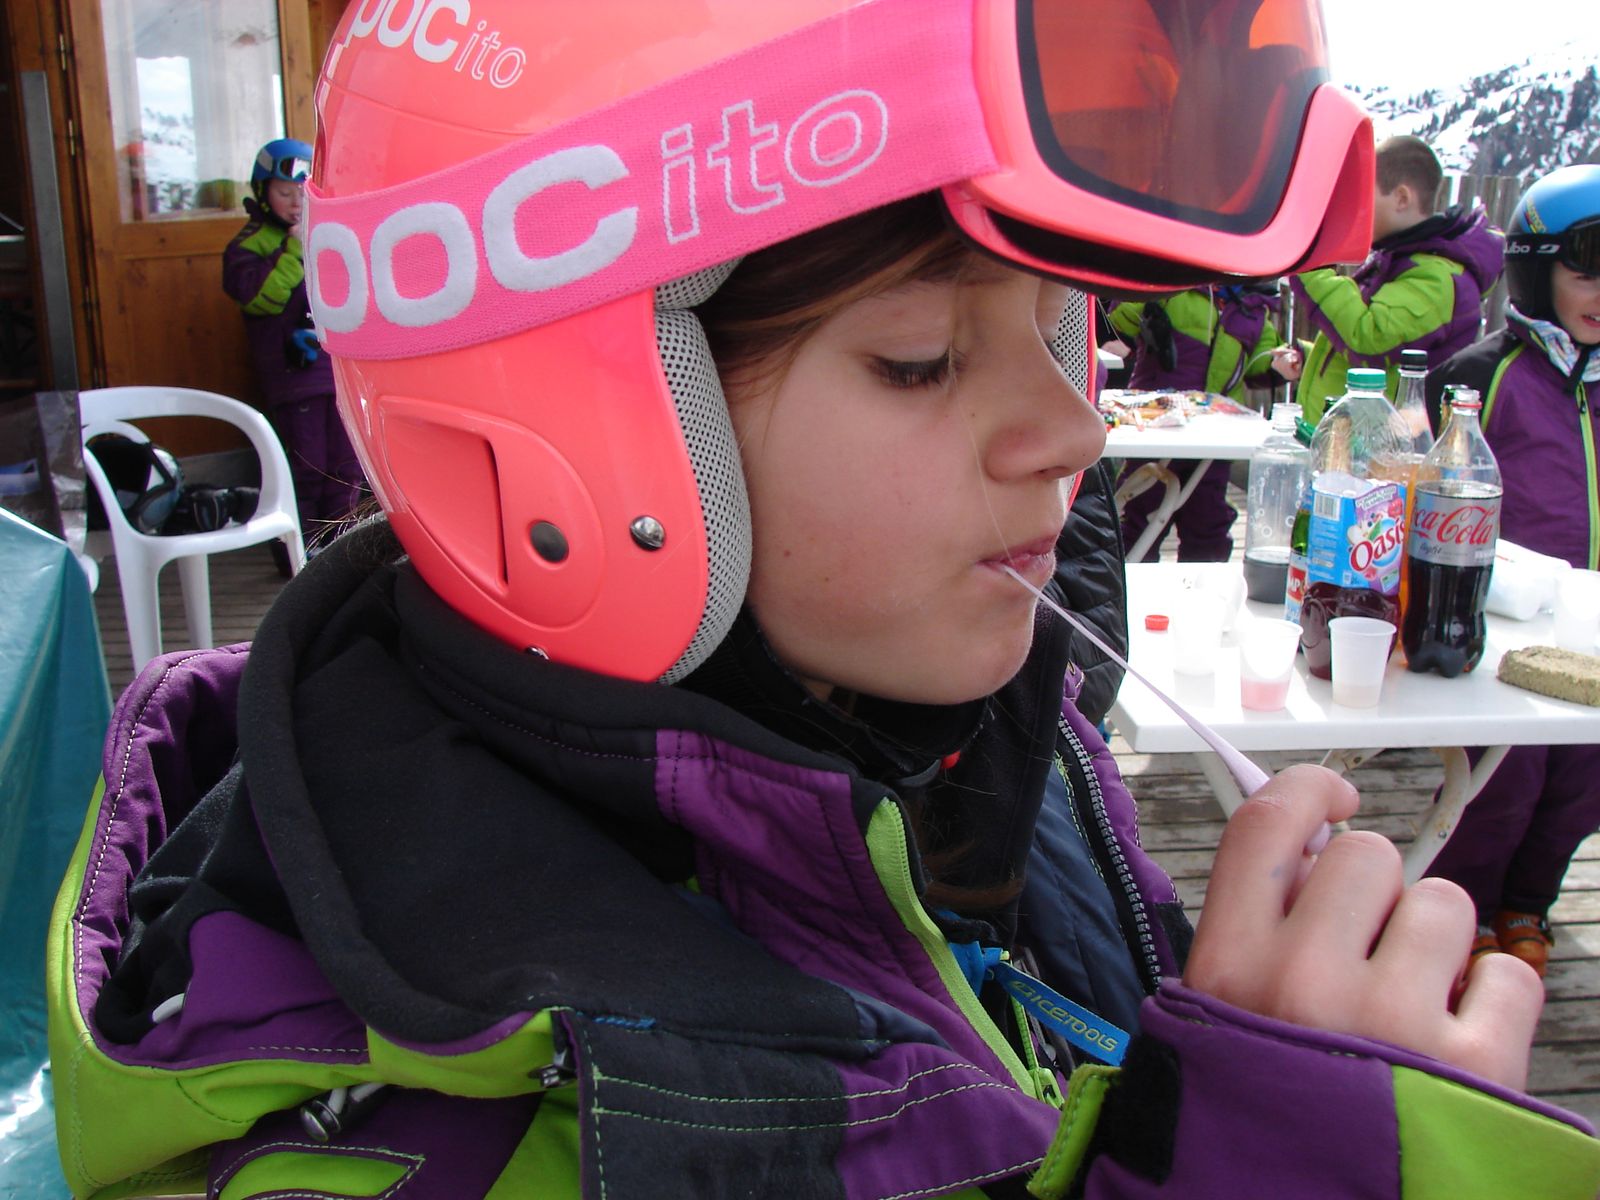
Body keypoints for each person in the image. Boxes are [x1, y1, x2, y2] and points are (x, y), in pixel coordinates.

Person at [48, 5, 1600, 1197]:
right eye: (920, 359)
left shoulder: (983, 741)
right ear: (573, 429)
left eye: (1066, 327)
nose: (1072, 429)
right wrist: (1294, 1157)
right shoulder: (441, 1124)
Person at [1420, 164, 1600, 979]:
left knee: (1581, 781)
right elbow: (1428, 480)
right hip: (1503, 629)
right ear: (1537, 268)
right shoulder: (1482, 376)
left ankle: (1527, 903)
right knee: (1502, 782)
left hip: (1589, 628)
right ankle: (1462, 910)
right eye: (1585, 270)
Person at [1273, 135, 1504, 424]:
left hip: (1381, 447)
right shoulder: (1399, 260)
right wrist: (1308, 357)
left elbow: (1368, 341)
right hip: (1350, 442)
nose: (1355, 208)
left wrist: (1309, 265)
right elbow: (1384, 360)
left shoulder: (1437, 279)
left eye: (1363, 196)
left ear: (1402, 198)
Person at [222, 138, 365, 552]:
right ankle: (296, 549)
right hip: (294, 378)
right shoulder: (250, 244)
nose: (295, 203)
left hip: (336, 368)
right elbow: (259, 297)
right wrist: (296, 248)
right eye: (284, 193)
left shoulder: (328, 233)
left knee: (348, 465)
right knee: (308, 465)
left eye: (303, 193)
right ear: (261, 191)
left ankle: (339, 549)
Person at [1106, 283, 1285, 561]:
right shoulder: (1177, 285)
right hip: (1157, 429)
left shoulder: (1253, 308)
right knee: (1140, 514)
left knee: (1208, 522)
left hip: (1214, 438)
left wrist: (1281, 365)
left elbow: (1259, 365)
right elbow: (1119, 319)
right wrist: (1151, 289)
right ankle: (1126, 582)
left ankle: (1203, 584)